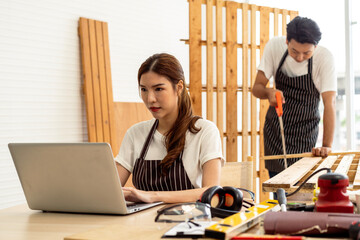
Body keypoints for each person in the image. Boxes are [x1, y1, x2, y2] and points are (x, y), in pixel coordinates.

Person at [115, 53, 224, 203]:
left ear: (179, 88)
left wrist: (152, 196)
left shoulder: (204, 131)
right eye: (144, 89)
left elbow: (211, 191)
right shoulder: (135, 134)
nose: (150, 99)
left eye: (158, 89)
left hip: (189, 222)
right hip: (141, 222)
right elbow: (111, 189)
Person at [252, 16, 336, 178]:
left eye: (306, 53)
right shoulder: (274, 47)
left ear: (315, 47)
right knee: (279, 187)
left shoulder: (324, 58)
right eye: (294, 51)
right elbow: (257, 88)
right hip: (276, 131)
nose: (299, 58)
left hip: (305, 132)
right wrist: (269, 92)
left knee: (303, 188)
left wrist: (327, 146)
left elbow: (329, 103)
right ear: (287, 41)